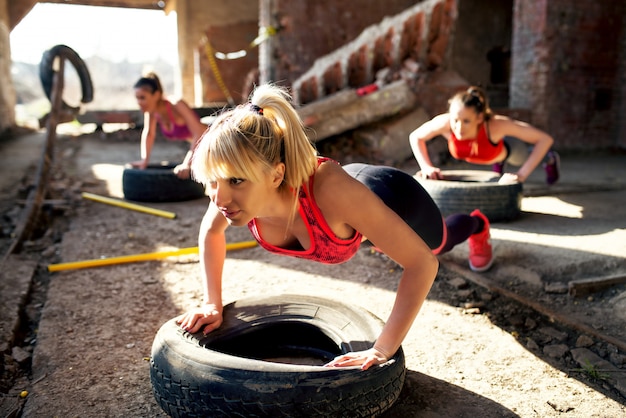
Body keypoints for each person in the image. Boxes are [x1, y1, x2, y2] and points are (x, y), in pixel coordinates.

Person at [176, 84, 494, 371]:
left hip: (396, 195)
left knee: (441, 242)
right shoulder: (235, 193)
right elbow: (211, 232)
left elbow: (422, 264)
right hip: (355, 208)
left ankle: (477, 224)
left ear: (276, 175)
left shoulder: (330, 193)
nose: (219, 197)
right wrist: (211, 303)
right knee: (381, 237)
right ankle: (381, 233)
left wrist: (383, 349)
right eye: (212, 181)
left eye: (234, 181)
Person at [409, 86, 560, 185]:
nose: (459, 127)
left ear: (479, 118)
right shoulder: (445, 123)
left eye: (466, 121)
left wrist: (521, 175)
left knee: (522, 157)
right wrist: (426, 166)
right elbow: (415, 136)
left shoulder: (495, 125)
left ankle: (550, 158)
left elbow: (545, 139)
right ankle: (499, 164)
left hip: (508, 149)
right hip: (486, 153)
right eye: (455, 120)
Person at [131, 72, 208, 179]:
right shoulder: (152, 111)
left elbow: (200, 133)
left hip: (214, 143)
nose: (138, 102)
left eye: (142, 97)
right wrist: (145, 160)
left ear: (156, 95)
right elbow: (149, 134)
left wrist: (187, 164)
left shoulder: (176, 104)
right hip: (201, 149)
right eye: (137, 98)